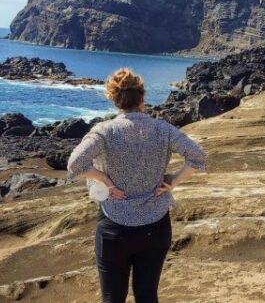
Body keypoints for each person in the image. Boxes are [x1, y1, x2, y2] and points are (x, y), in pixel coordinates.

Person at [67, 68, 206, 303]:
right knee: (147, 295)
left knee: (112, 298)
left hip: (115, 226)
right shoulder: (163, 129)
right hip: (156, 225)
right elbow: (198, 156)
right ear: (142, 98)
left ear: (113, 98)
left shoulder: (104, 131)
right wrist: (173, 181)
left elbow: (75, 164)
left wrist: (104, 180)